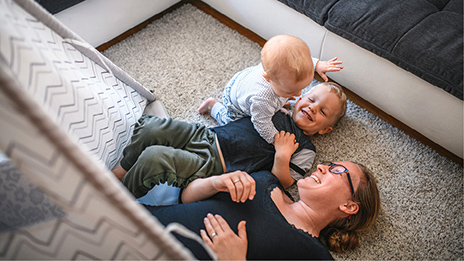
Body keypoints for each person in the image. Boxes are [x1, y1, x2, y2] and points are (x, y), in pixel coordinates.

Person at [112, 82, 347, 198]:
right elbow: (235, 117)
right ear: (300, 97)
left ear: (325, 130)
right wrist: (215, 108)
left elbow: (284, 182)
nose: (313, 108)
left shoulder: (306, 148)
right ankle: (120, 171)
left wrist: (282, 156)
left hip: (214, 166)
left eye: (323, 112)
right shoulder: (277, 107)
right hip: (205, 135)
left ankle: (120, 196)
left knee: (155, 159)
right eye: (312, 99)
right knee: (152, 127)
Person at [144, 161, 381, 260]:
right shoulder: (266, 179)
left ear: (349, 206)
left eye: (336, 170)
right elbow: (185, 199)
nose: (321, 166)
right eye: (328, 164)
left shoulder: (314, 256)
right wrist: (215, 182)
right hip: (137, 220)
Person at [198, 34, 343, 144]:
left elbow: (300, 58)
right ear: (268, 79)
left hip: (246, 78)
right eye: (289, 92)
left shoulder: (279, 64)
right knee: (233, 124)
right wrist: (276, 140)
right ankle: (212, 106)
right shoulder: (263, 99)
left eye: (301, 89)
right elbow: (261, 123)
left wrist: (317, 65)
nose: (298, 94)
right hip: (235, 100)